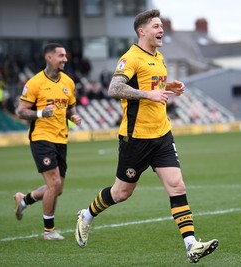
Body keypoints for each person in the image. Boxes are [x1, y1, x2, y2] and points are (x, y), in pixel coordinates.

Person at [74, 9, 218, 264]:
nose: (161, 30)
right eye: (156, 26)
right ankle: (86, 215)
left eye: (161, 25)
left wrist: (167, 86)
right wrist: (148, 94)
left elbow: (153, 85)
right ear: (142, 31)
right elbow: (114, 88)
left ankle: (191, 245)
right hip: (136, 138)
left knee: (177, 185)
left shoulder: (160, 57)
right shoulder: (130, 57)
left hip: (162, 134)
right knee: (121, 193)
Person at [14, 43, 82, 240]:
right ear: (49, 58)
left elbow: (70, 108)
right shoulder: (35, 83)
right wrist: (41, 113)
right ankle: (49, 231)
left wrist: (73, 117)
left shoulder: (68, 82)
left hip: (61, 139)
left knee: (57, 188)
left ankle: (24, 200)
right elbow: (21, 111)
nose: (65, 59)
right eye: (61, 56)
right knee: (53, 183)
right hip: (41, 138)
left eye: (66, 56)